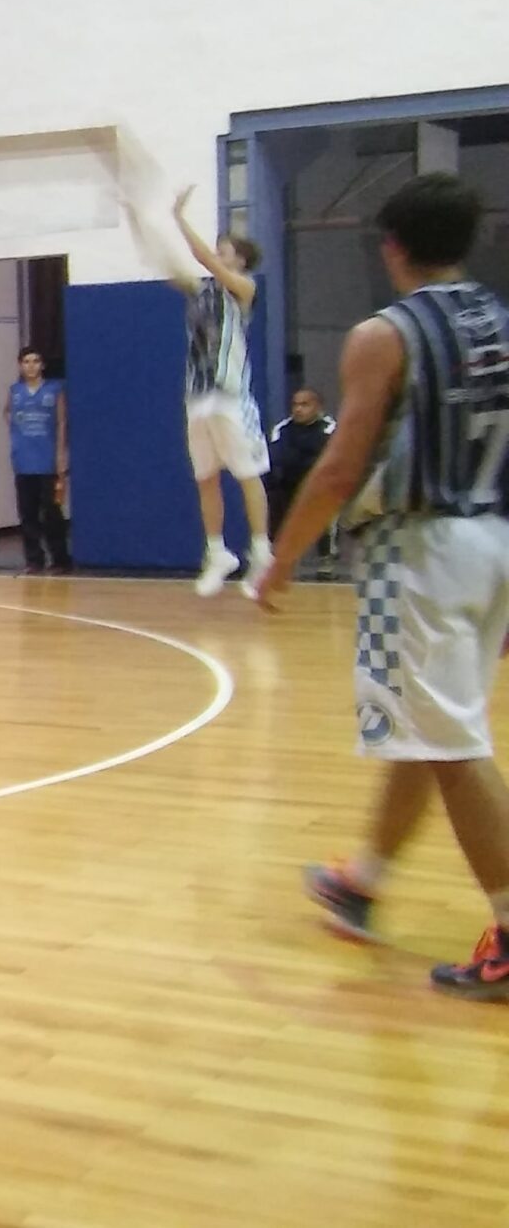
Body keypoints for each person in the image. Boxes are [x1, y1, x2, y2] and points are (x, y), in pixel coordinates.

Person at [256, 173, 509, 1001]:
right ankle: (361, 882)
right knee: (428, 728)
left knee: (452, 745)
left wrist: (282, 558)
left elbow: (339, 466)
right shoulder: (499, 321)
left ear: (391, 247)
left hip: (419, 550)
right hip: (494, 539)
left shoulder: (384, 334)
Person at [169, 184, 275, 597]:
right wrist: (144, 222)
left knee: (247, 474)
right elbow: (172, 264)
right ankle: (217, 552)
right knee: (206, 478)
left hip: (231, 396)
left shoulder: (244, 289)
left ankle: (261, 551)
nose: (217, 254)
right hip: (197, 397)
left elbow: (202, 258)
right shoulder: (201, 291)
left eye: (224, 250)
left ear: (240, 259)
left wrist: (179, 218)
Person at [6, 347, 71, 575]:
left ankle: (60, 559)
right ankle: (34, 560)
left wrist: (60, 455)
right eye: (26, 361)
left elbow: (61, 422)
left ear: (42, 365)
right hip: (24, 462)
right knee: (28, 514)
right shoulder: (15, 391)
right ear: (20, 365)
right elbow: (8, 414)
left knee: (52, 513)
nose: (31, 366)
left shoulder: (54, 389)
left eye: (35, 361)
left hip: (48, 461)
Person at [267, 386, 336, 532]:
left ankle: (326, 545)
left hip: (319, 490)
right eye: (295, 405)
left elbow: (325, 461)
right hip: (287, 491)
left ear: (318, 407)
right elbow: (279, 459)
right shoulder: (282, 429)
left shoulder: (330, 428)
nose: (298, 409)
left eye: (305, 405)